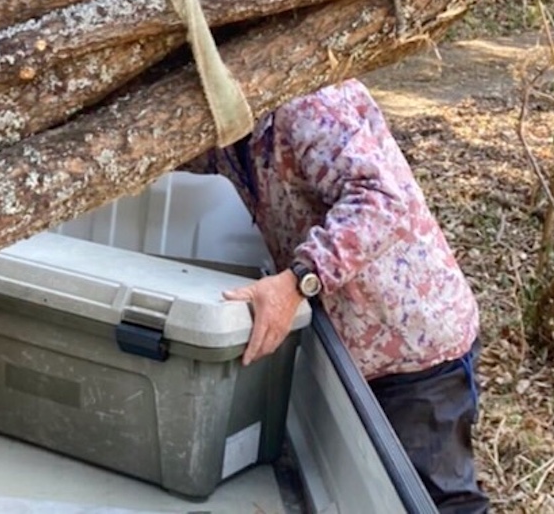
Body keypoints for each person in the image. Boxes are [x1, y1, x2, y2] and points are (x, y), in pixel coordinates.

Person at [187, 78, 488, 513]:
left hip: (412, 347)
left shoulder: (308, 99)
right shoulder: (237, 120)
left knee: (432, 502)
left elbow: (382, 200)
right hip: (351, 349)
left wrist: (299, 279)